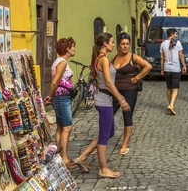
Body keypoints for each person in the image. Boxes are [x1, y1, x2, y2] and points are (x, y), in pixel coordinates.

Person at [74, 33, 130, 178]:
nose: (113, 44)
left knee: (109, 132)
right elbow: (109, 82)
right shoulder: (103, 59)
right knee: (105, 135)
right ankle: (103, 168)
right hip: (104, 100)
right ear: (105, 44)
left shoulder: (102, 58)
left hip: (105, 100)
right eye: (111, 42)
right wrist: (121, 99)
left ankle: (83, 157)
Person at [112, 33, 152, 155]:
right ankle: (102, 140)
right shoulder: (114, 58)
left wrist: (136, 78)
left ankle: (125, 144)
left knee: (127, 116)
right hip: (115, 91)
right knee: (109, 114)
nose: (125, 46)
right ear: (119, 45)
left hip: (129, 90)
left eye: (127, 44)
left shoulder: (133, 57)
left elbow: (148, 66)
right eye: (123, 44)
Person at [44, 37, 77, 168]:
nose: (75, 49)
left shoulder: (59, 61)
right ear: (67, 48)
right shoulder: (62, 62)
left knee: (60, 127)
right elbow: (55, 81)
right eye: (73, 46)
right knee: (67, 127)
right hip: (61, 98)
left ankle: (59, 155)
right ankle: (64, 158)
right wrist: (50, 96)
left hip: (61, 97)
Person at [160, 28, 187, 115]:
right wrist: (184, 65)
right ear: (171, 34)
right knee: (175, 88)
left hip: (167, 68)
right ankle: (171, 104)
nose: (177, 35)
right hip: (175, 68)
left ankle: (170, 104)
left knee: (169, 87)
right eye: (176, 34)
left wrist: (161, 68)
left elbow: (162, 58)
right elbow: (181, 55)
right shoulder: (178, 43)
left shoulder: (163, 44)